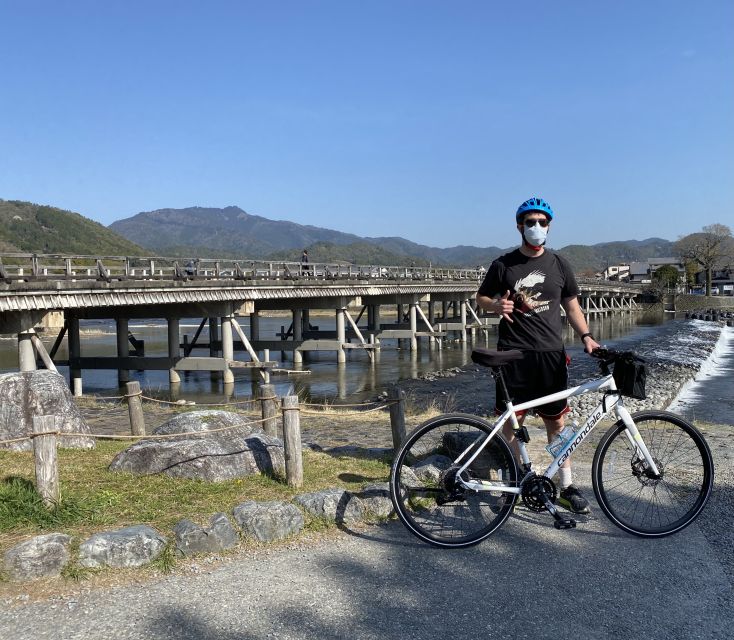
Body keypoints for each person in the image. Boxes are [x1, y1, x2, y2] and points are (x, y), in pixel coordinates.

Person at [476, 197, 601, 514]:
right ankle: (513, 480)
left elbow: (571, 306)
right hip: (513, 355)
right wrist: (496, 306)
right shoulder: (503, 265)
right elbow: (481, 298)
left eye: (542, 222)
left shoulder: (559, 265)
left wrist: (586, 336)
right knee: (511, 421)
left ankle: (568, 485)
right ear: (519, 226)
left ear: (549, 226)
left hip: (550, 355)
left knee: (557, 423)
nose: (536, 227)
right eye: (530, 222)